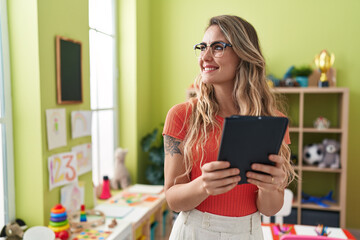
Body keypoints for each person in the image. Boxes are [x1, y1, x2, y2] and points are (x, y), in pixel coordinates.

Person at [162, 15, 296, 239]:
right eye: (202, 47)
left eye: (217, 47)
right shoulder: (181, 115)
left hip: (249, 232)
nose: (205, 57)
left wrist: (270, 187)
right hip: (193, 231)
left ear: (244, 55)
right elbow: (173, 200)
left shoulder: (273, 121)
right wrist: (204, 185)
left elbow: (270, 209)